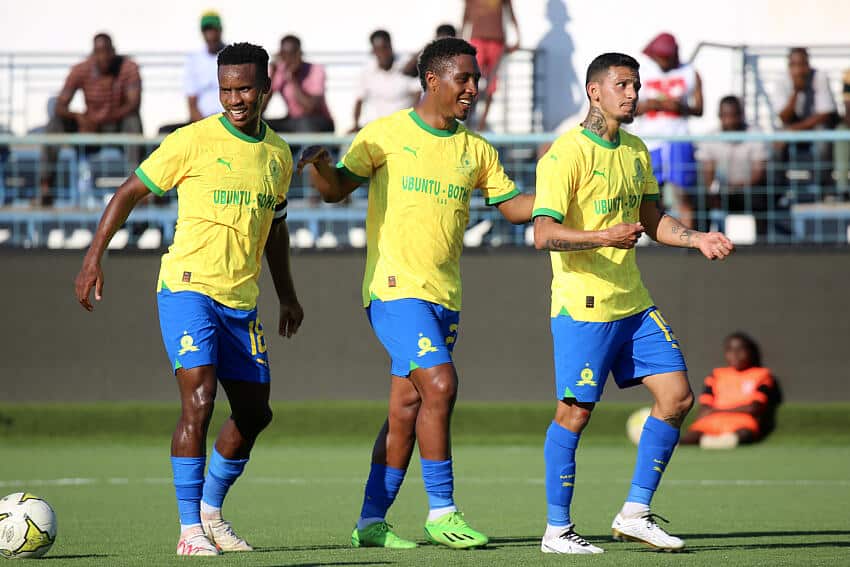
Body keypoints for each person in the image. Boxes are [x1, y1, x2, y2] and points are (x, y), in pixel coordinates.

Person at [298, 37, 532, 550]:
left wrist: (567, 196)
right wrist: (318, 166)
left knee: (407, 407)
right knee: (441, 385)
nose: (474, 87)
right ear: (434, 80)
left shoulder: (476, 149)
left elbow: (514, 208)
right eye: (464, 78)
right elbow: (337, 188)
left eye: (475, 79)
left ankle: (370, 523)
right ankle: (442, 511)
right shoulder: (384, 134)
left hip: (444, 296)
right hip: (394, 290)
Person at [74, 43, 302, 556]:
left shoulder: (279, 155)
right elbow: (129, 191)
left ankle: (211, 514)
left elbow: (276, 229)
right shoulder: (192, 141)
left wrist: (288, 295)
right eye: (225, 89)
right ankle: (188, 530)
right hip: (187, 287)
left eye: (244, 88)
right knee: (198, 401)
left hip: (241, 301)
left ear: (266, 89)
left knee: (255, 414)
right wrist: (93, 256)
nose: (234, 99)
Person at [533, 52, 734, 554]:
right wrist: (603, 235)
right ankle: (557, 530)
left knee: (677, 397)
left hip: (633, 303)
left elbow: (651, 217)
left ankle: (635, 513)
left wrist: (696, 239)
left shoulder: (637, 150)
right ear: (593, 91)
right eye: (622, 84)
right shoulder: (564, 154)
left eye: (637, 85)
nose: (633, 94)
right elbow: (542, 234)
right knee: (575, 415)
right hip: (584, 307)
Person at [39, 33, 143, 206]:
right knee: (54, 123)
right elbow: (60, 106)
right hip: (89, 125)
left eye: (106, 52)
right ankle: (45, 186)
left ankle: (138, 189)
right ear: (93, 54)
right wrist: (79, 117)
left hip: (117, 124)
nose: (103, 57)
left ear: (113, 52)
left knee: (133, 122)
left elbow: (133, 104)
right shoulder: (81, 69)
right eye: (98, 52)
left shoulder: (128, 67)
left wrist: (104, 118)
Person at [633, 32, 703, 228]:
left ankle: (689, 237)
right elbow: (630, 109)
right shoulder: (643, 73)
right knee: (651, 196)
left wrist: (680, 107)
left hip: (679, 139)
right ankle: (655, 238)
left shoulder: (690, 72)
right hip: (650, 142)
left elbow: (699, 109)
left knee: (683, 194)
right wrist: (651, 104)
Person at [681, 333, 779, 449]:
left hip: (742, 421)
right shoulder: (716, 375)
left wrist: (716, 410)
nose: (735, 355)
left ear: (750, 352)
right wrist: (709, 413)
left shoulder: (762, 375)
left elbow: (754, 408)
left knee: (744, 434)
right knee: (690, 437)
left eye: (740, 350)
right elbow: (705, 407)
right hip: (712, 421)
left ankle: (723, 441)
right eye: (730, 350)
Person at [695, 95, 770, 234]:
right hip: (721, 192)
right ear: (719, 116)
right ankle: (703, 242)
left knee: (761, 198)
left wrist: (735, 187)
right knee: (701, 201)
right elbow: (708, 173)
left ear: (741, 115)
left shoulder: (755, 134)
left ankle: (761, 243)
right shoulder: (710, 137)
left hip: (748, 191)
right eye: (726, 116)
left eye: (734, 115)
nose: (730, 121)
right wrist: (715, 189)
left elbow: (758, 173)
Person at [774, 47, 838, 185]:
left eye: (802, 64)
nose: (799, 70)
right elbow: (784, 117)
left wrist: (793, 129)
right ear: (789, 66)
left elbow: (824, 114)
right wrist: (796, 92)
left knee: (823, 138)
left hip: (814, 128)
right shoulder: (782, 81)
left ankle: (820, 187)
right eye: (794, 65)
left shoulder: (819, 77)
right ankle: (779, 190)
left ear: (808, 65)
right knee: (776, 142)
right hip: (794, 128)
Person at [159, 11, 226, 134]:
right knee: (164, 133)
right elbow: (192, 103)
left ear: (220, 30)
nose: (210, 34)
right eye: (206, 30)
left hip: (229, 122)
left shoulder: (232, 56)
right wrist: (206, 128)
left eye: (213, 29)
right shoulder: (194, 61)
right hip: (202, 123)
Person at [462, 0, 521, 130]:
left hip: (497, 39)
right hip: (477, 38)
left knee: (491, 84)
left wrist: (517, 37)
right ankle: (467, 117)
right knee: (472, 80)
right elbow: (466, 14)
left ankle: (482, 122)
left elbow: (510, 12)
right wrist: (460, 40)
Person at [350, 30, 420, 132]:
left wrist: (413, 122)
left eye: (385, 48)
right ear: (373, 51)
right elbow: (359, 100)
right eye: (378, 50)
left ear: (391, 47)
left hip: (403, 129)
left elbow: (418, 95)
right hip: (375, 129)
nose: (383, 53)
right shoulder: (366, 72)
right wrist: (355, 125)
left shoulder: (407, 68)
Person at [263, 35, 334, 133]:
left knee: (304, 123)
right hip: (294, 121)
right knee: (259, 125)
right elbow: (260, 109)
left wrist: (292, 79)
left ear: (300, 54)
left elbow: (310, 108)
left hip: (319, 121)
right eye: (285, 55)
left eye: (293, 54)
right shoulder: (278, 72)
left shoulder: (315, 69)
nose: (289, 60)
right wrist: (271, 77)